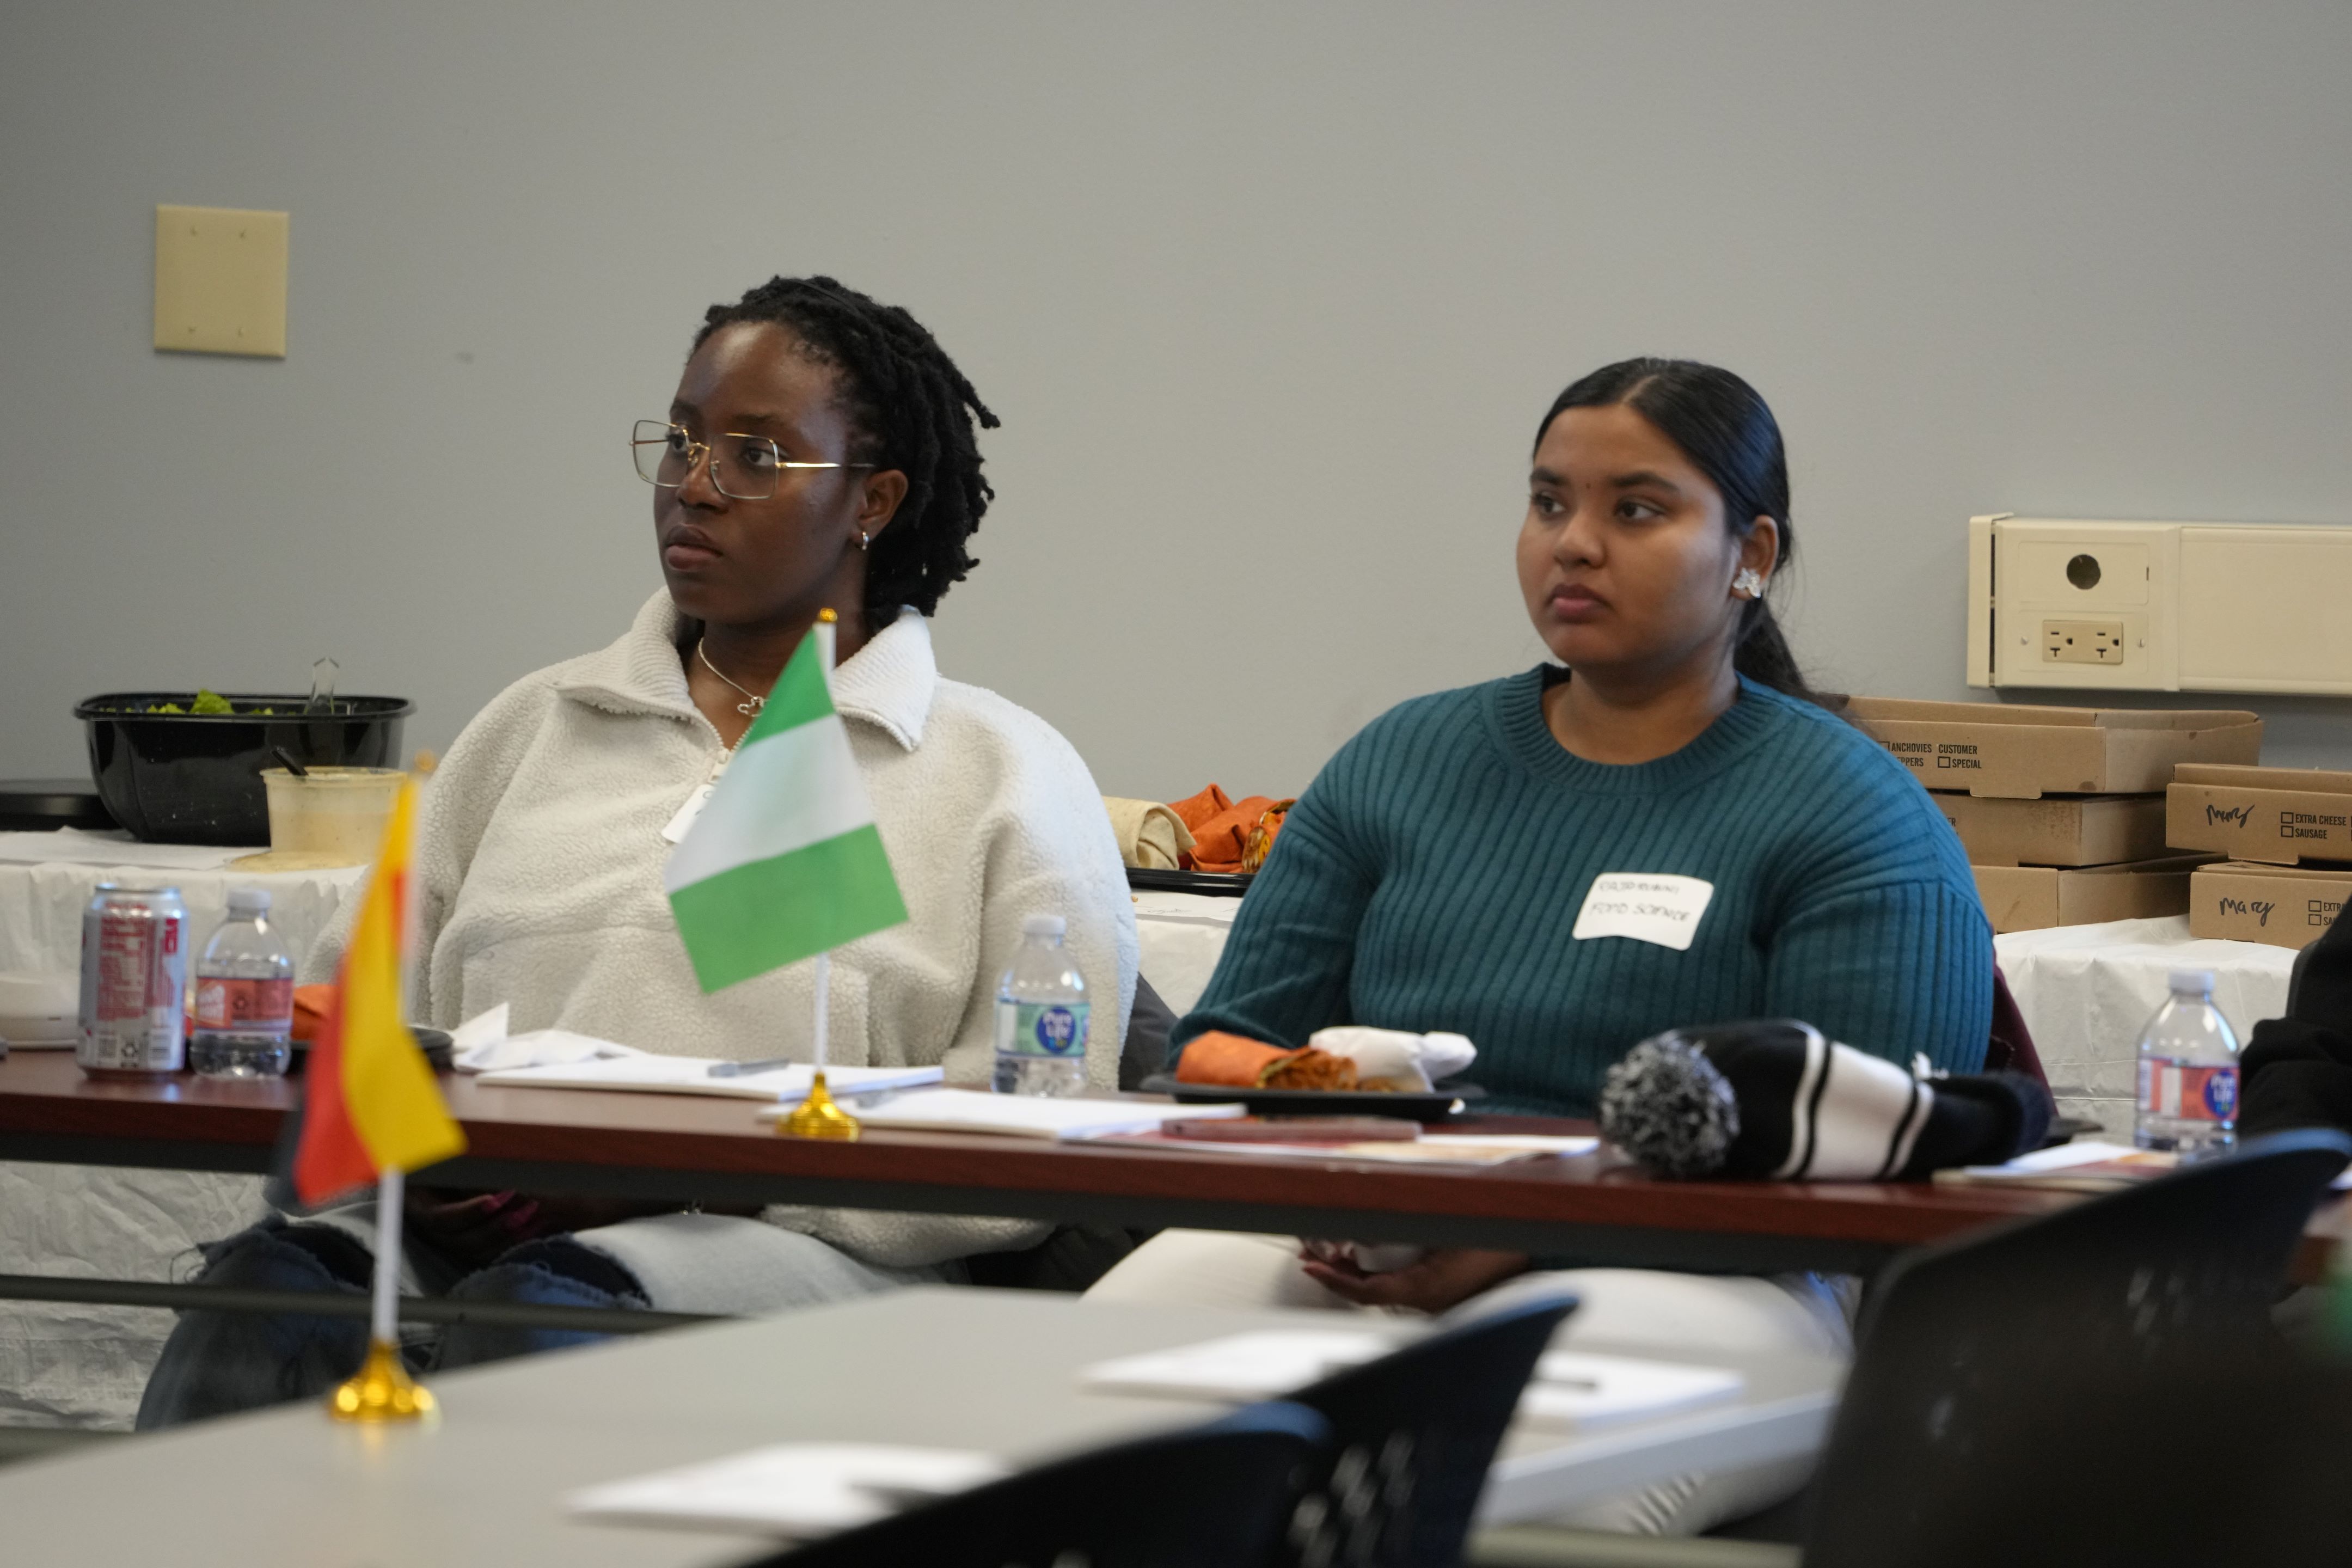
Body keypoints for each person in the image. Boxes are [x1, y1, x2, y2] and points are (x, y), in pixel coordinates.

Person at [139, 275, 1137, 1427]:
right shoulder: (528, 728)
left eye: (756, 457)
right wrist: (429, 1156)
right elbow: (348, 1015)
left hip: (801, 1262)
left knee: (546, 1311)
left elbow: (1032, 1128)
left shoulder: (1001, 771)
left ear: (874, 498)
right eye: (680, 442)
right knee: (263, 1290)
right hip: (450, 1229)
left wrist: (694, 1186)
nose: (694, 488)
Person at [1087, 358, 1992, 1535]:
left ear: (1752, 555)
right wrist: (1337, 1103)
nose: (1573, 543)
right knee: (1058, 1433)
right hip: (1368, 1234)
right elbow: (1218, 1049)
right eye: (1549, 501)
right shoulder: (1402, 760)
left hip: (1720, 1276)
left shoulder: (1853, 813)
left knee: (1448, 1499)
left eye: (1636, 508)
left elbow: (1867, 1146)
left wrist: (1527, 1235)